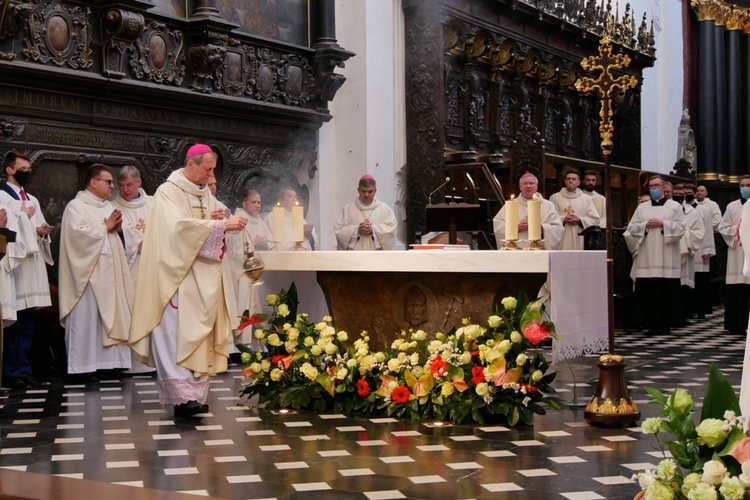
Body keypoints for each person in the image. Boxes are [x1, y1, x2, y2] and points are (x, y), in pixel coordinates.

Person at [129, 144, 248, 418]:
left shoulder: (204, 192)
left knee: (197, 332)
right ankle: (180, 398)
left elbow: (210, 220)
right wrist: (219, 226)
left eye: (212, 171)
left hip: (200, 276)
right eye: (207, 169)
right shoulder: (167, 193)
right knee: (174, 333)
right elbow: (176, 230)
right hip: (174, 275)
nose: (209, 176)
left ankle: (194, 393)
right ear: (190, 164)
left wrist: (220, 218)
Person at [58, 164, 133, 377]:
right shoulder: (76, 206)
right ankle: (83, 367)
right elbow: (76, 237)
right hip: (88, 276)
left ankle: (111, 364)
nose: (112, 186)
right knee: (87, 320)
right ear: (93, 182)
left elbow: (123, 235)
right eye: (108, 182)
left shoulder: (109, 207)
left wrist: (119, 230)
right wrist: (105, 227)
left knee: (111, 318)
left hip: (111, 275)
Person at [0, 151, 53, 389]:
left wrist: (42, 232)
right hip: (14, 265)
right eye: (22, 169)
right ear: (9, 170)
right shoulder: (2, 196)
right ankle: (11, 372)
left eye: (29, 169)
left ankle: (25, 369)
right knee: (15, 321)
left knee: (28, 320)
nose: (27, 173)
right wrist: (20, 215)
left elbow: (35, 227)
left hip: (31, 266)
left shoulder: (32, 198)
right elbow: (5, 227)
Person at [625, 175, 685, 335]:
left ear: (664, 188)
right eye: (651, 186)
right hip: (648, 257)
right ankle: (649, 324)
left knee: (666, 291)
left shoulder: (674, 207)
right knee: (648, 291)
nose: (654, 189)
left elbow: (681, 227)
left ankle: (666, 324)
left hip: (667, 257)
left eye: (657, 186)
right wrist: (645, 225)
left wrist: (663, 224)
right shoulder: (642, 208)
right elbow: (632, 227)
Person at [111, 166, 155, 375]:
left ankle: (155, 360)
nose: (125, 189)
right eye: (121, 185)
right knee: (132, 313)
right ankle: (133, 363)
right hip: (130, 271)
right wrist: (135, 244)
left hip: (155, 269)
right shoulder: (113, 207)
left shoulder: (155, 204)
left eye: (129, 184)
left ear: (138, 183)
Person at [226, 189, 270, 351]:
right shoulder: (238, 220)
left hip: (261, 272)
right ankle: (246, 341)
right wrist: (254, 246)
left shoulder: (261, 222)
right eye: (254, 202)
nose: (257, 205)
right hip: (245, 273)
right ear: (244, 204)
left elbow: (272, 243)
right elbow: (236, 250)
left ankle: (262, 341)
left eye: (259, 202)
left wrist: (266, 245)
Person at [492, 172, 563, 250]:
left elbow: (558, 229)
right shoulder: (510, 205)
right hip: (516, 252)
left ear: (536, 186)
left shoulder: (548, 206)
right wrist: (515, 227)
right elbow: (498, 226)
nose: (528, 186)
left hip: (539, 251)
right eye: (525, 184)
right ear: (520, 187)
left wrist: (540, 227)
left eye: (531, 183)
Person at [719, 176, 750, 336]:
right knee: (737, 288)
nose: (745, 188)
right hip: (737, 252)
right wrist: (737, 229)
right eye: (742, 185)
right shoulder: (732, 206)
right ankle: (735, 324)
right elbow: (723, 227)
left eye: (748, 185)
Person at [334, 175, 397, 250]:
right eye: (363, 191)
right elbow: (339, 230)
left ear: (375, 191)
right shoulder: (348, 209)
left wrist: (373, 229)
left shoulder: (385, 209)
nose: (366, 195)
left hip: (376, 255)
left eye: (370, 191)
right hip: (354, 255)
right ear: (358, 190)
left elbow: (391, 230)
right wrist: (357, 230)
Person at [671, 184, 704, 327]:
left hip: (685, 253)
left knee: (683, 285)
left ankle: (683, 315)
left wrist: (687, 236)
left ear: (685, 195)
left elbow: (699, 232)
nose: (678, 195)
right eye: (676, 193)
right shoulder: (668, 209)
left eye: (681, 193)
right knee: (671, 285)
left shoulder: (692, 212)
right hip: (669, 251)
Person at [683, 184, 715, 320]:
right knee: (688, 281)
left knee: (700, 282)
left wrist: (707, 249)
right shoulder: (681, 208)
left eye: (691, 192)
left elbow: (707, 230)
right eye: (686, 192)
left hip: (700, 248)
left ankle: (701, 310)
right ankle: (689, 310)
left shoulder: (703, 210)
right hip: (686, 247)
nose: (688, 194)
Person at [549, 170, 600, 250]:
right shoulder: (555, 198)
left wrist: (580, 220)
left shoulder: (586, 199)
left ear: (579, 182)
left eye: (573, 179)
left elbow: (595, 219)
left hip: (579, 235)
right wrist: (563, 219)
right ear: (565, 182)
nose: (570, 181)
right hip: (561, 236)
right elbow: (549, 218)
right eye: (568, 179)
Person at [264, 187, 316, 251]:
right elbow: (271, 243)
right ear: (281, 200)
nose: (294, 199)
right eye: (290, 196)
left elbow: (312, 244)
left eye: (295, 197)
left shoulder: (301, 220)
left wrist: (308, 235)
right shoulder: (271, 217)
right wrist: (299, 233)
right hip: (281, 257)